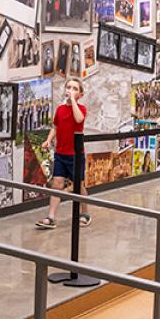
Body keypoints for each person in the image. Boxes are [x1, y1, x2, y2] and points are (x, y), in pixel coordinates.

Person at [34, 78, 90, 229]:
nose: (71, 90)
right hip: (60, 153)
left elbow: (79, 119)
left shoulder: (81, 109)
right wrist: (48, 140)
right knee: (56, 184)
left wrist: (73, 101)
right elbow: (55, 127)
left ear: (80, 94)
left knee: (79, 186)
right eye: (69, 87)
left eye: (75, 89)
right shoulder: (60, 109)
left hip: (75, 155)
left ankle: (84, 213)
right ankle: (51, 217)